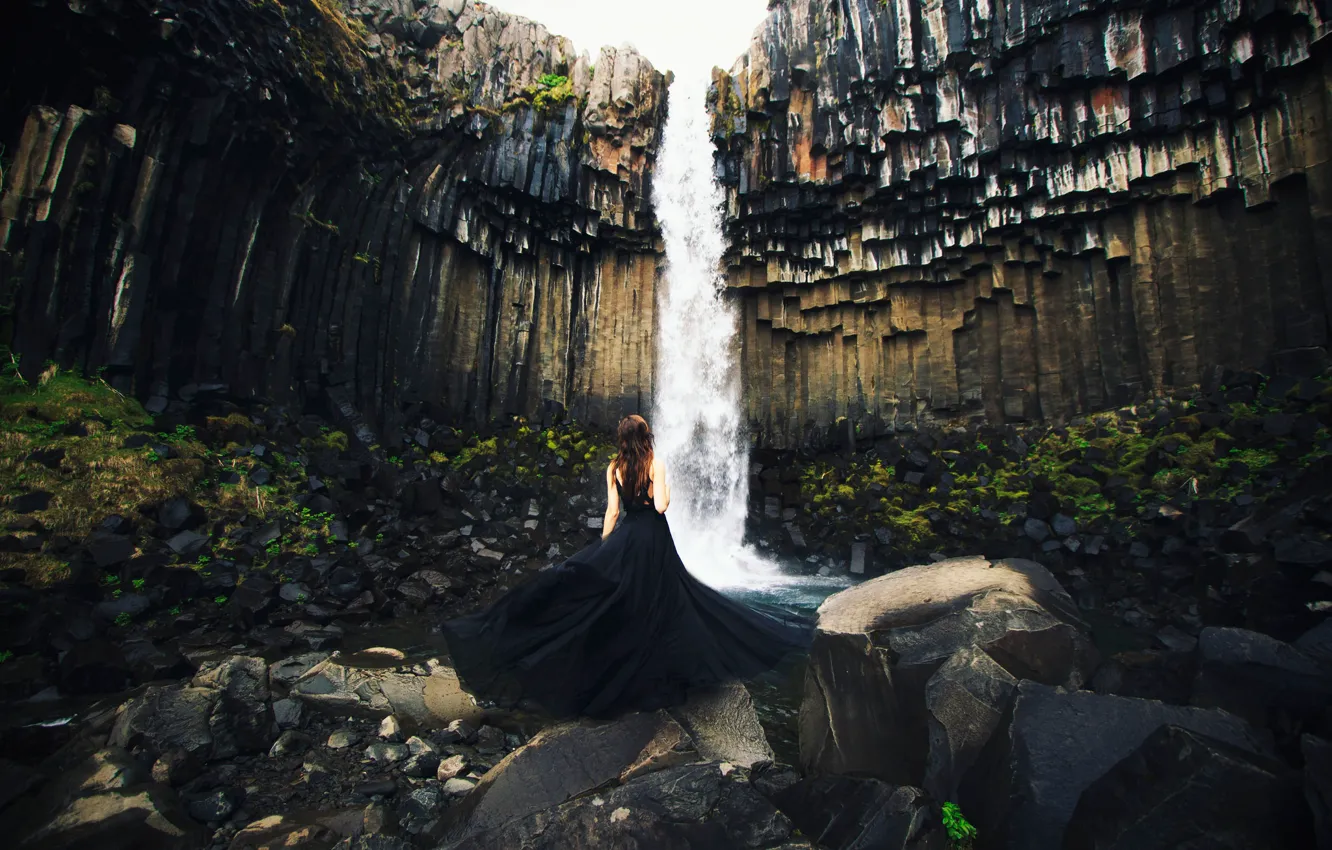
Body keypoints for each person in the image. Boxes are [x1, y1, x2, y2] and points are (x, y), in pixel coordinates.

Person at [440, 414, 812, 719]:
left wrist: (603, 551)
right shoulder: (657, 464)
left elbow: (612, 512)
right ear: (646, 436)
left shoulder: (614, 468)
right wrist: (663, 485)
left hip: (627, 539)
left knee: (619, 601)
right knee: (665, 600)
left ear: (622, 439)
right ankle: (660, 665)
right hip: (653, 540)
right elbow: (663, 507)